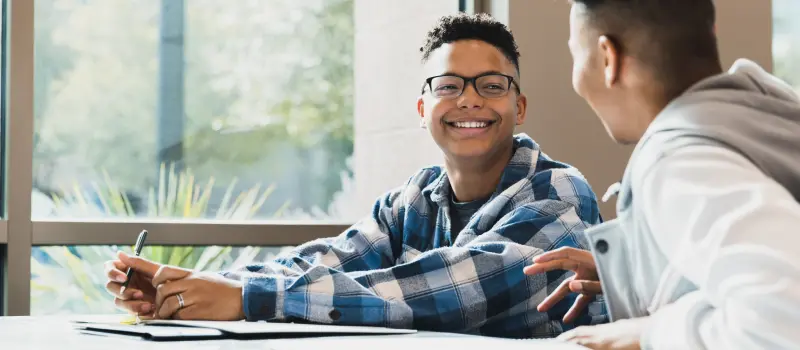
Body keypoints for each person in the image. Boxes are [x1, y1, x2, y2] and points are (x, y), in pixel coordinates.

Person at [104, 13, 605, 338]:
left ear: (518, 106)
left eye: (491, 86)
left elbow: (449, 290)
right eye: (449, 85)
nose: (469, 99)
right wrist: (198, 287)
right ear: (422, 107)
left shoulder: (557, 193)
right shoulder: (411, 201)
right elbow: (324, 259)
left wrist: (244, 298)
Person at [524, 0, 800, 348]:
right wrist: (634, 270)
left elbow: (786, 317)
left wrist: (648, 333)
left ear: (608, 57)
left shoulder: (677, 159)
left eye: (575, 54)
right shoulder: (766, 114)